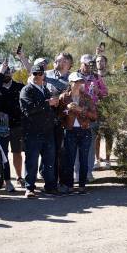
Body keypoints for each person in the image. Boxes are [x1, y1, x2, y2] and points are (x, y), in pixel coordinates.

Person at [19, 62, 58, 197]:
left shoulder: (45, 90)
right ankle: (29, 187)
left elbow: (49, 108)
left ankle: (50, 186)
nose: (37, 76)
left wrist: (55, 103)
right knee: (32, 161)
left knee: (49, 161)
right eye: (34, 73)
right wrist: (48, 103)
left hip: (47, 131)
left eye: (40, 73)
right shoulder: (26, 90)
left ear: (43, 75)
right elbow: (28, 109)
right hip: (32, 132)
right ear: (31, 74)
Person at [58, 72, 98, 194]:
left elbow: (94, 116)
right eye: (76, 82)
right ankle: (69, 185)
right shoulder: (63, 97)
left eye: (80, 82)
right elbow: (58, 116)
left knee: (83, 159)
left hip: (84, 131)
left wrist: (81, 110)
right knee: (69, 160)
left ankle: (82, 185)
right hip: (70, 131)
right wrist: (66, 110)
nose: (79, 84)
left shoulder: (87, 97)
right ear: (70, 83)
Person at [0, 62, 26, 188]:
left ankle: (19, 177)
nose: (7, 74)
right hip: (0, 126)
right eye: (4, 72)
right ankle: (5, 179)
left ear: (12, 72)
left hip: (17, 125)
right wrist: (0, 76)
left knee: (17, 152)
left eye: (9, 71)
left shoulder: (19, 86)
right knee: (3, 153)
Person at [77, 54, 107, 178]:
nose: (89, 66)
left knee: (89, 143)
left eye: (91, 64)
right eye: (86, 64)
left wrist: (97, 91)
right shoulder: (74, 76)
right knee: (77, 144)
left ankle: (88, 172)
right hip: (77, 114)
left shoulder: (96, 77)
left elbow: (105, 93)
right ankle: (77, 172)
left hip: (92, 113)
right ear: (81, 63)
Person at [44, 53, 72, 184]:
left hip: (65, 119)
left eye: (59, 59)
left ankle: (64, 182)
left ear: (67, 62)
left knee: (63, 151)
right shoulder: (47, 73)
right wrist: (22, 58)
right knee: (51, 151)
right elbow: (31, 72)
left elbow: (69, 91)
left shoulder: (72, 78)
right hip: (49, 119)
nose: (55, 60)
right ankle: (51, 181)